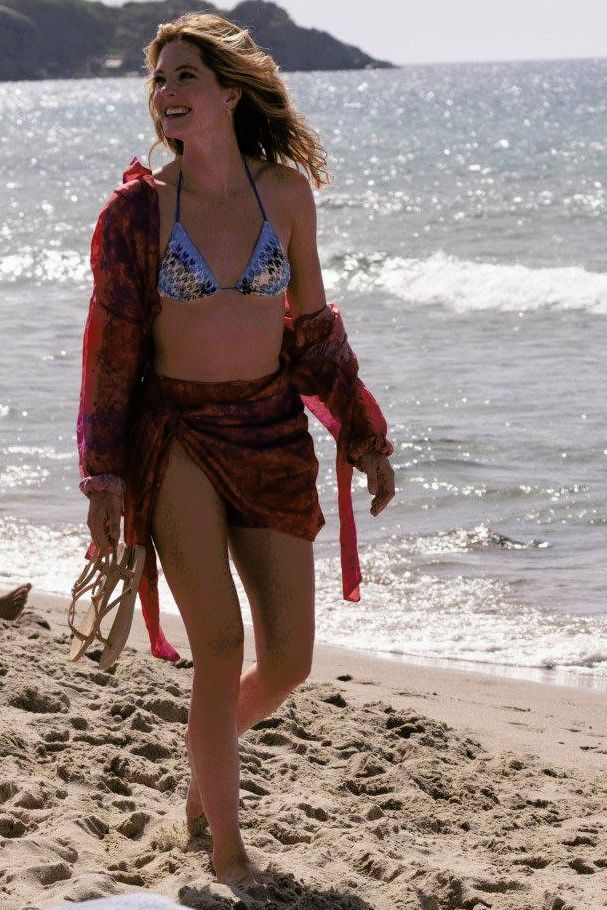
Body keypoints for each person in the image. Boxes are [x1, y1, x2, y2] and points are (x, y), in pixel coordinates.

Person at [77, 12, 395, 888]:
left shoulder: (284, 194)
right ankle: (226, 844)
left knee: (287, 660)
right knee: (217, 645)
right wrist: (102, 474)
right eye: (159, 80)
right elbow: (110, 352)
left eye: (185, 76)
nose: (167, 93)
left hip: (269, 431)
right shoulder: (137, 211)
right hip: (175, 433)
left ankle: (201, 770)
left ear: (229, 92)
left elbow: (315, 332)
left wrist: (363, 433)